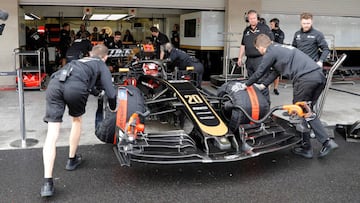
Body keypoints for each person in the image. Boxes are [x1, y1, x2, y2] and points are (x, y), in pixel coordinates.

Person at [241, 34, 338, 159]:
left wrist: (245, 85)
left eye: (258, 50)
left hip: (305, 79)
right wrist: (263, 86)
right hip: (318, 77)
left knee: (299, 112)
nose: (260, 52)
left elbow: (260, 71)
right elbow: (276, 71)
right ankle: (320, 143)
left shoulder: (271, 51)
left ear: (260, 47)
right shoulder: (282, 48)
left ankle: (312, 146)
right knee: (306, 112)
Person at [40, 44, 117, 197]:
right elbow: (111, 92)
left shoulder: (80, 61)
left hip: (55, 84)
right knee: (76, 120)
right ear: (105, 57)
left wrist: (95, 91)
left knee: (52, 133)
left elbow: (89, 82)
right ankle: (71, 159)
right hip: (75, 88)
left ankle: (47, 183)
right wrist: (114, 107)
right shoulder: (101, 64)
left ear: (90, 53)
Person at [237, 10, 274, 77]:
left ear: (257, 18)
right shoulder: (246, 30)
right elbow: (243, 45)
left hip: (261, 59)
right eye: (250, 18)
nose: (252, 20)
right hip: (249, 60)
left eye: (254, 18)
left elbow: (271, 42)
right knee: (251, 80)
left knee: (261, 80)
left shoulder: (264, 28)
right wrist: (240, 58)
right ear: (248, 19)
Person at [269, 18, 285, 95]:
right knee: (268, 72)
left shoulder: (281, 33)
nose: (270, 26)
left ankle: (275, 88)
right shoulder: (269, 32)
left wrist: (272, 43)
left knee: (276, 72)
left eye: (271, 24)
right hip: (269, 53)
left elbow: (280, 44)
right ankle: (267, 88)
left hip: (277, 54)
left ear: (276, 24)